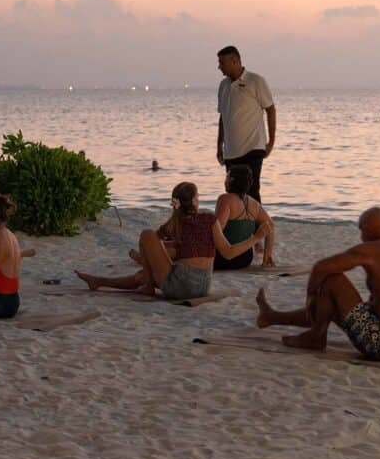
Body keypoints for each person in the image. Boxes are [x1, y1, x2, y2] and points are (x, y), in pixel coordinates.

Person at [255, 207, 380, 361]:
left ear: (365, 230)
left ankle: (316, 335)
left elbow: (321, 268)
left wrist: (311, 296)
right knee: (329, 303)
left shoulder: (375, 248)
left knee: (332, 279)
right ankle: (272, 317)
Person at [77, 182, 256, 300]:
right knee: (142, 275)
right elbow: (227, 251)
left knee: (146, 235)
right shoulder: (209, 219)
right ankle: (100, 281)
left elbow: (152, 241)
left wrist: (153, 256)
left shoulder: (174, 223)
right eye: (198, 196)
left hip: (182, 285)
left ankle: (147, 285)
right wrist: (256, 238)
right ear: (194, 200)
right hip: (204, 286)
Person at [216, 45, 276, 202]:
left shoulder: (255, 81)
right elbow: (223, 117)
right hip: (231, 151)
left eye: (222, 63)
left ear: (235, 61)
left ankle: (259, 225)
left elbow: (271, 110)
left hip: (253, 148)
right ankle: (239, 224)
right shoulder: (223, 86)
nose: (219, 67)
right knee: (233, 193)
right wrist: (219, 147)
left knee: (252, 191)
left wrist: (271, 142)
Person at [215, 166, 276, 269]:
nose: (225, 180)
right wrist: (267, 255)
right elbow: (271, 226)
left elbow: (217, 231)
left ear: (231, 180)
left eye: (227, 177)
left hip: (225, 258)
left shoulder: (225, 199)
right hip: (245, 259)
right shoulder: (254, 203)